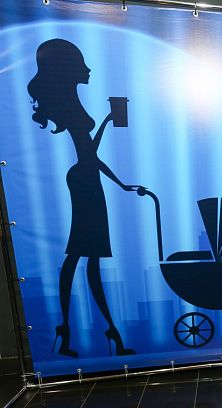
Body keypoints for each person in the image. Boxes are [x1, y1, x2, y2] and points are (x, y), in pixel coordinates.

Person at [27, 39, 139, 357]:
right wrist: (107, 122)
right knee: (82, 256)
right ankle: (95, 331)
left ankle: (80, 331)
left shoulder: (70, 103)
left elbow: (90, 154)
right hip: (86, 182)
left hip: (86, 178)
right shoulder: (68, 105)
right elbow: (89, 155)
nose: (88, 69)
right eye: (81, 64)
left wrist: (121, 184)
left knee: (85, 258)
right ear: (67, 69)